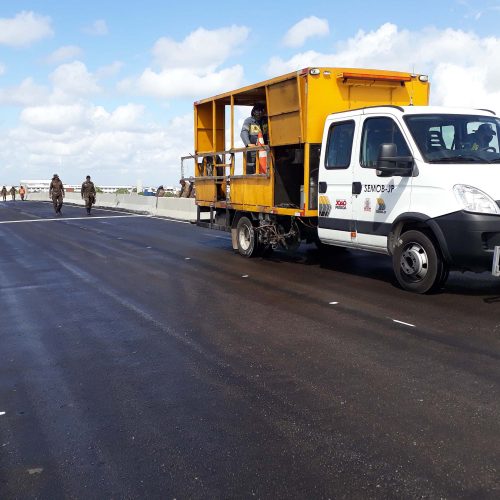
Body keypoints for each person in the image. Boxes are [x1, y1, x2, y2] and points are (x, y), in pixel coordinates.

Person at [240, 103, 269, 174]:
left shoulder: (266, 120)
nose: (259, 113)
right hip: (252, 151)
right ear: (253, 111)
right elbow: (244, 132)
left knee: (266, 168)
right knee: (251, 168)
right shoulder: (249, 121)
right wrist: (248, 144)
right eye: (257, 111)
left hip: (265, 150)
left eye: (261, 111)